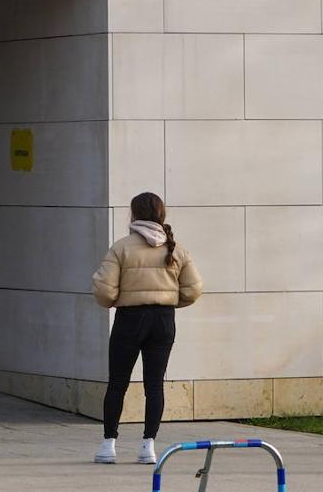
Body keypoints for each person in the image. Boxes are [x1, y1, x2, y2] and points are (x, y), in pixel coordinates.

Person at [91, 192, 202, 465]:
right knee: (155, 385)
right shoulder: (176, 249)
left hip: (130, 318)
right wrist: (170, 302)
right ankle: (148, 446)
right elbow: (194, 288)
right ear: (162, 214)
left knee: (118, 383)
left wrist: (120, 300)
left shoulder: (121, 248)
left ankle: (109, 444)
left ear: (134, 214)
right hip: (163, 320)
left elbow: (104, 291)